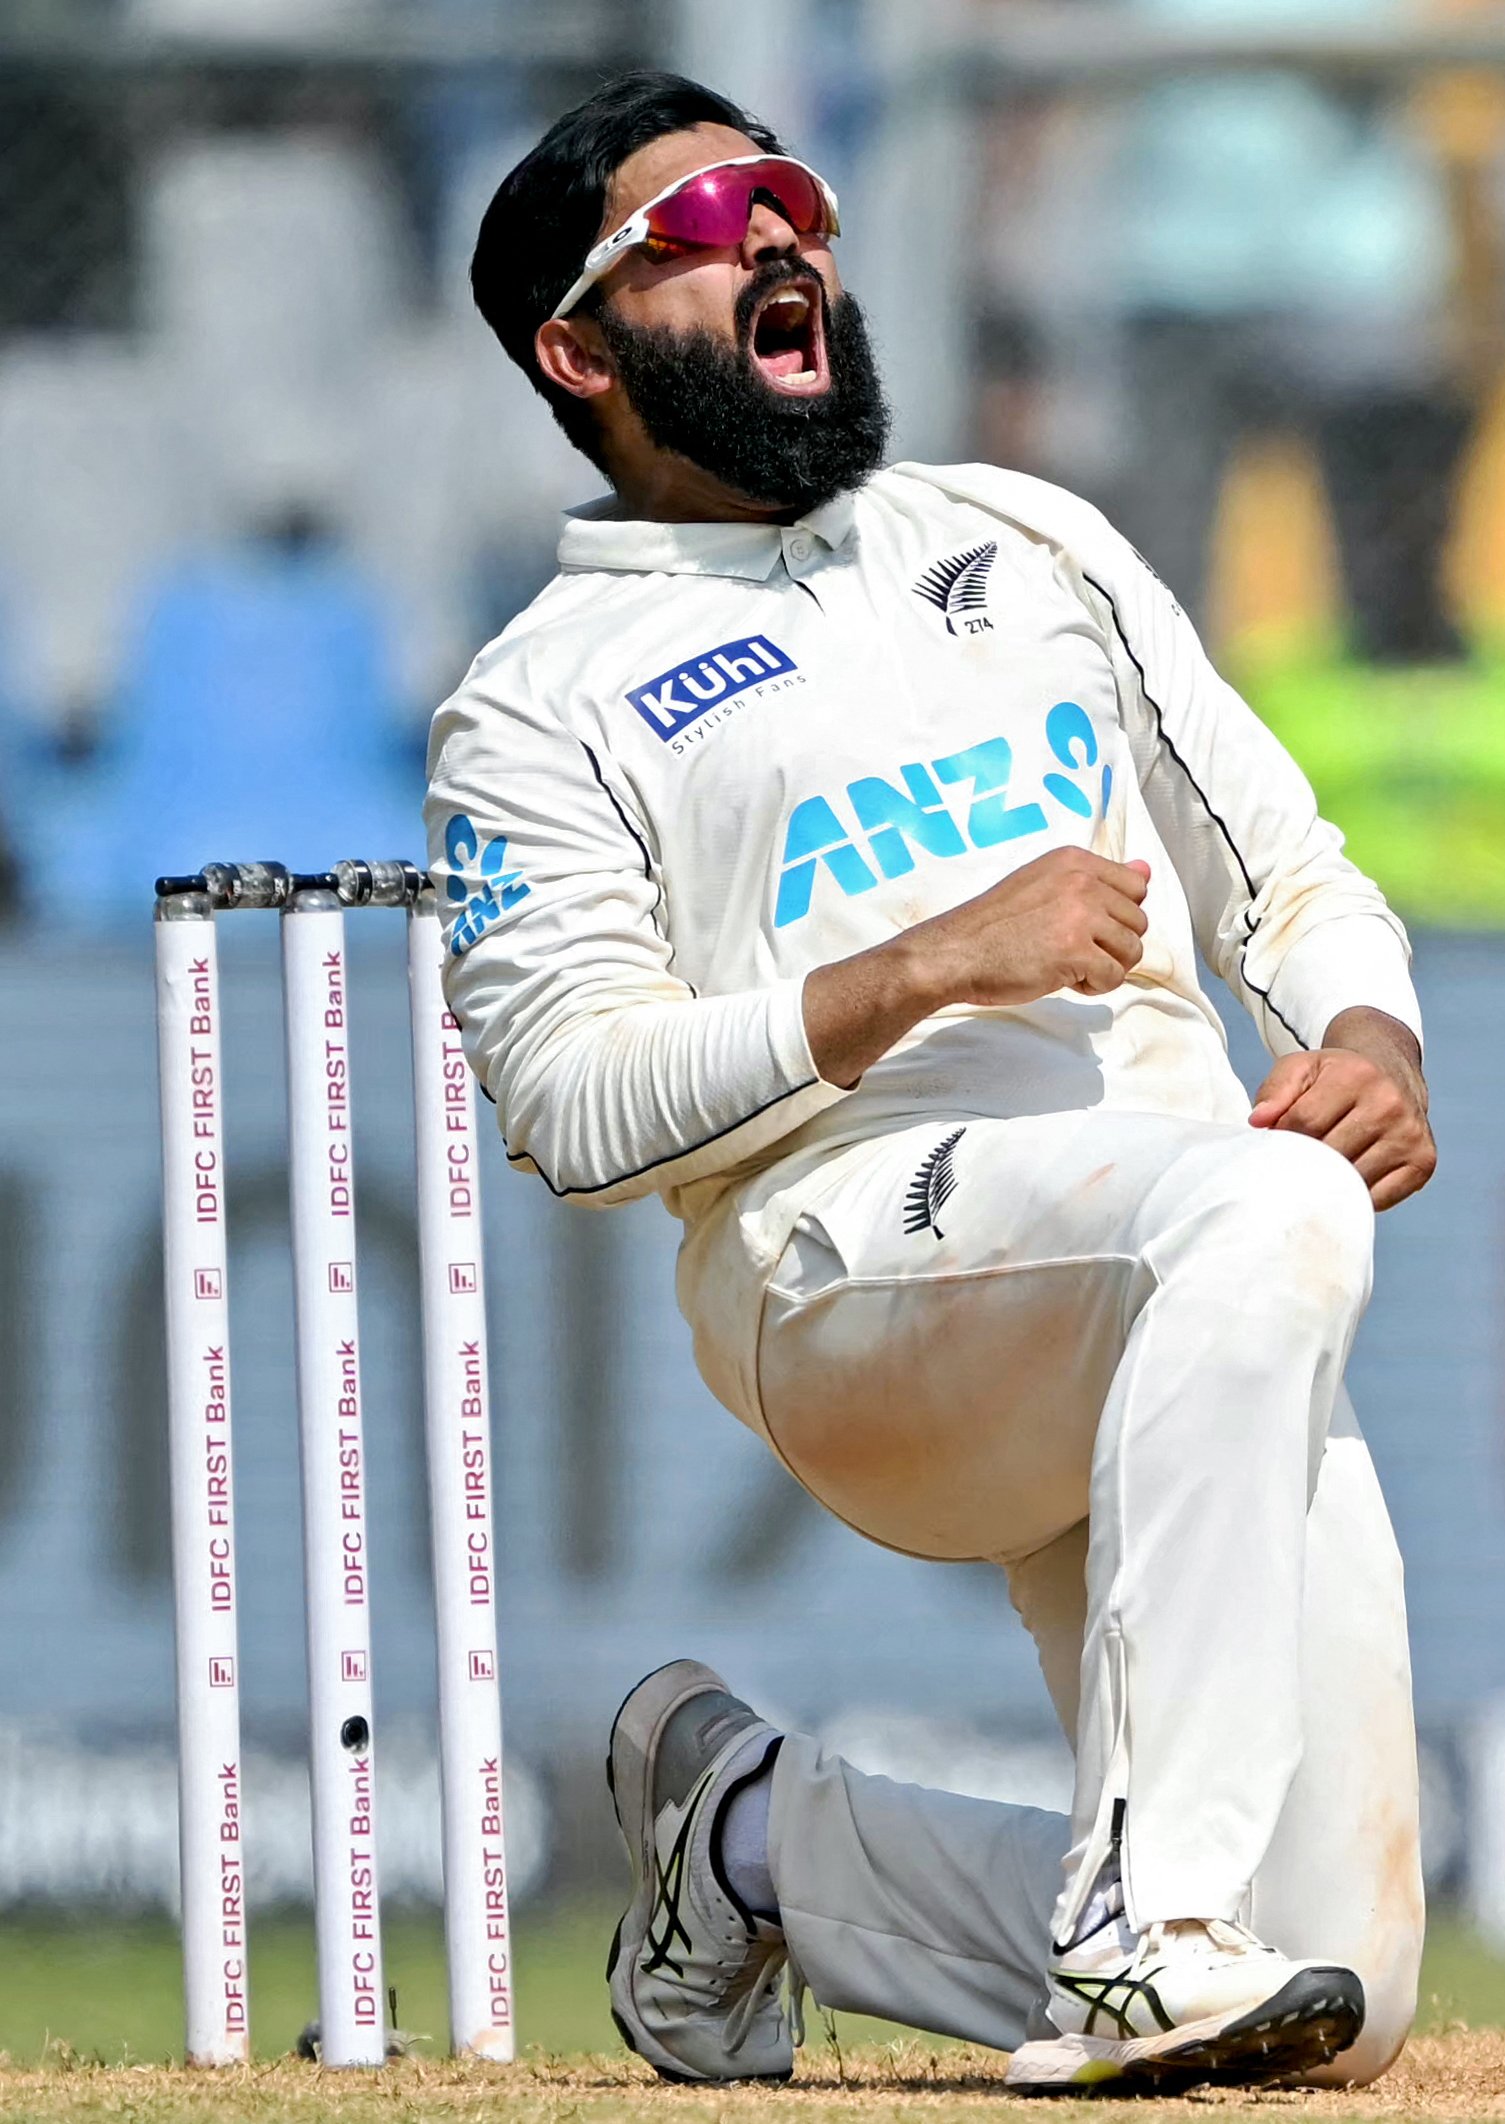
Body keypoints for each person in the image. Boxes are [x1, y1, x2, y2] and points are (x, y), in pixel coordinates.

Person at [439, 71, 1436, 2094]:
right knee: (1265, 1203)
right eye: (702, 232)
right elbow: (569, 1109)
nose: (780, 239)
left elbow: (1289, 869)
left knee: (1339, 1987)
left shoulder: (1020, 532)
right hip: (851, 1269)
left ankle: (749, 1840)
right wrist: (917, 972)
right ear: (579, 348)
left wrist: (1365, 1030)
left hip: (1181, 1258)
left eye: (789, 196)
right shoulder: (536, 701)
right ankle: (1143, 1938)